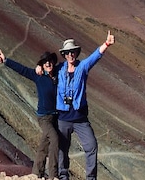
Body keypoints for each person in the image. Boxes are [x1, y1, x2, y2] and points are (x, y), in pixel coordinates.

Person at [52, 31, 114, 180]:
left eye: (72, 52)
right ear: (64, 54)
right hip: (63, 117)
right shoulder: (59, 69)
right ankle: (63, 175)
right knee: (62, 148)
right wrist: (38, 68)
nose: (70, 55)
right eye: (67, 53)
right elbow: (44, 68)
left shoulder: (83, 67)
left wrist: (106, 44)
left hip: (80, 117)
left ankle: (91, 178)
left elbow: (95, 56)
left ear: (76, 53)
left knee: (91, 146)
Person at [0, 49, 60, 179]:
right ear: (42, 65)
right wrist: (6, 61)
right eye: (45, 62)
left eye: (50, 61)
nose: (48, 64)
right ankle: (53, 176)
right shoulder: (39, 76)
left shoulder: (58, 74)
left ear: (54, 62)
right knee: (54, 139)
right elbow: (22, 70)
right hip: (44, 118)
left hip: (55, 117)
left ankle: (36, 173)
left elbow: (70, 64)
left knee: (44, 145)